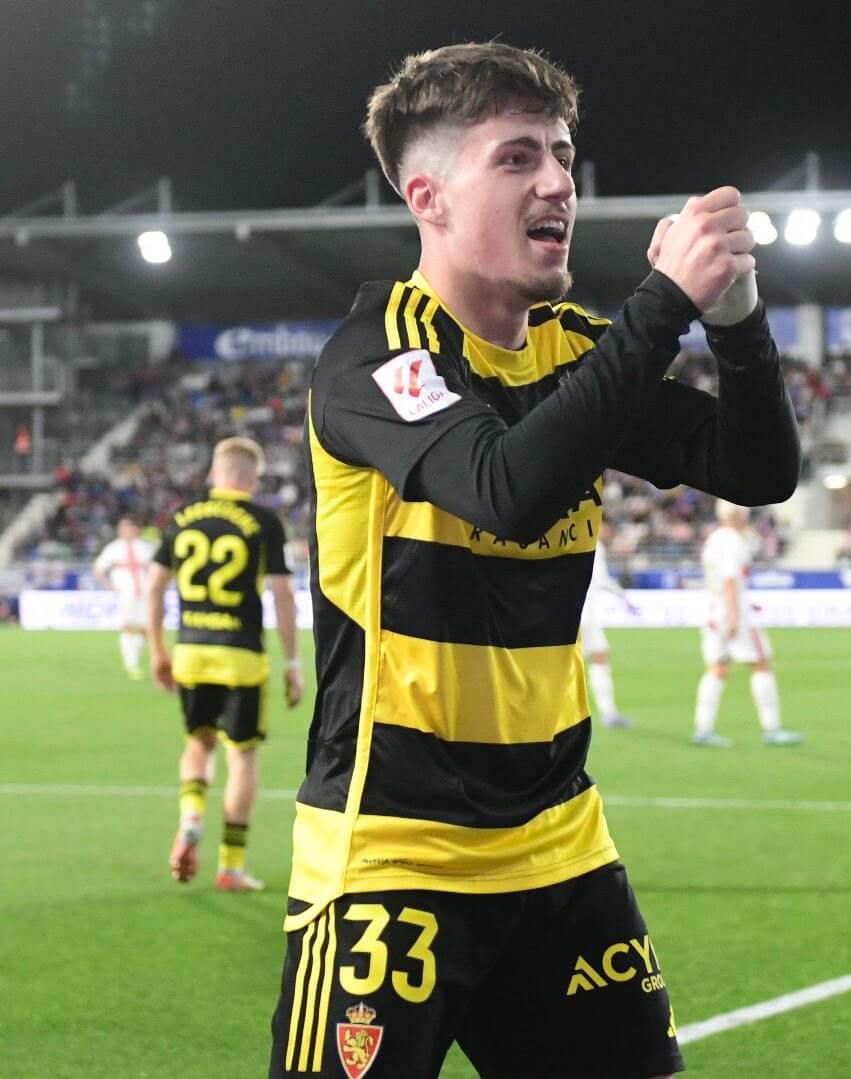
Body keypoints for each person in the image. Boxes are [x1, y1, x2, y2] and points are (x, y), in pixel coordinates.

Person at [269, 42, 800, 1079]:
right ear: (426, 194)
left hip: (558, 842)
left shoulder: (568, 345)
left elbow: (754, 466)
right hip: (391, 853)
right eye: (516, 158)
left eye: (561, 154)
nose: (557, 180)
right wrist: (660, 306)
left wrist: (735, 322)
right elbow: (506, 491)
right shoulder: (376, 357)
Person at [145, 436, 304, 893]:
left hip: (191, 652)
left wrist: (159, 651)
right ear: (253, 477)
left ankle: (192, 818)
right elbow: (281, 594)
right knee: (242, 757)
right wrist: (293, 662)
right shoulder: (262, 521)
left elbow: (154, 588)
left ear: (216, 473)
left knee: (198, 744)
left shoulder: (181, 517)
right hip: (241, 657)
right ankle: (231, 866)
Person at [692, 501, 804, 748]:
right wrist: (735, 613)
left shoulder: (714, 539)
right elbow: (730, 579)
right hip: (730, 610)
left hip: (711, 609)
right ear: (739, 515)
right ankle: (772, 728)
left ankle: (703, 728)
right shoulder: (734, 541)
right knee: (761, 663)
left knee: (717, 668)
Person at [92, 514, 155, 679]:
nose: (123, 530)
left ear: (136, 528)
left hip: (145, 593)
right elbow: (98, 569)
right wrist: (110, 587)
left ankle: (135, 661)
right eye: (122, 527)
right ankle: (130, 664)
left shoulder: (146, 547)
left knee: (144, 629)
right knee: (127, 627)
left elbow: (155, 569)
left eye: (127, 527)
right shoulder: (114, 548)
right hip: (126, 594)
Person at [581, 538, 635, 728]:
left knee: (599, 656)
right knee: (578, 662)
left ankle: (609, 712)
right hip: (583, 612)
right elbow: (600, 578)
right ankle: (607, 713)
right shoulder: (594, 542)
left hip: (577, 611)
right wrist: (622, 595)